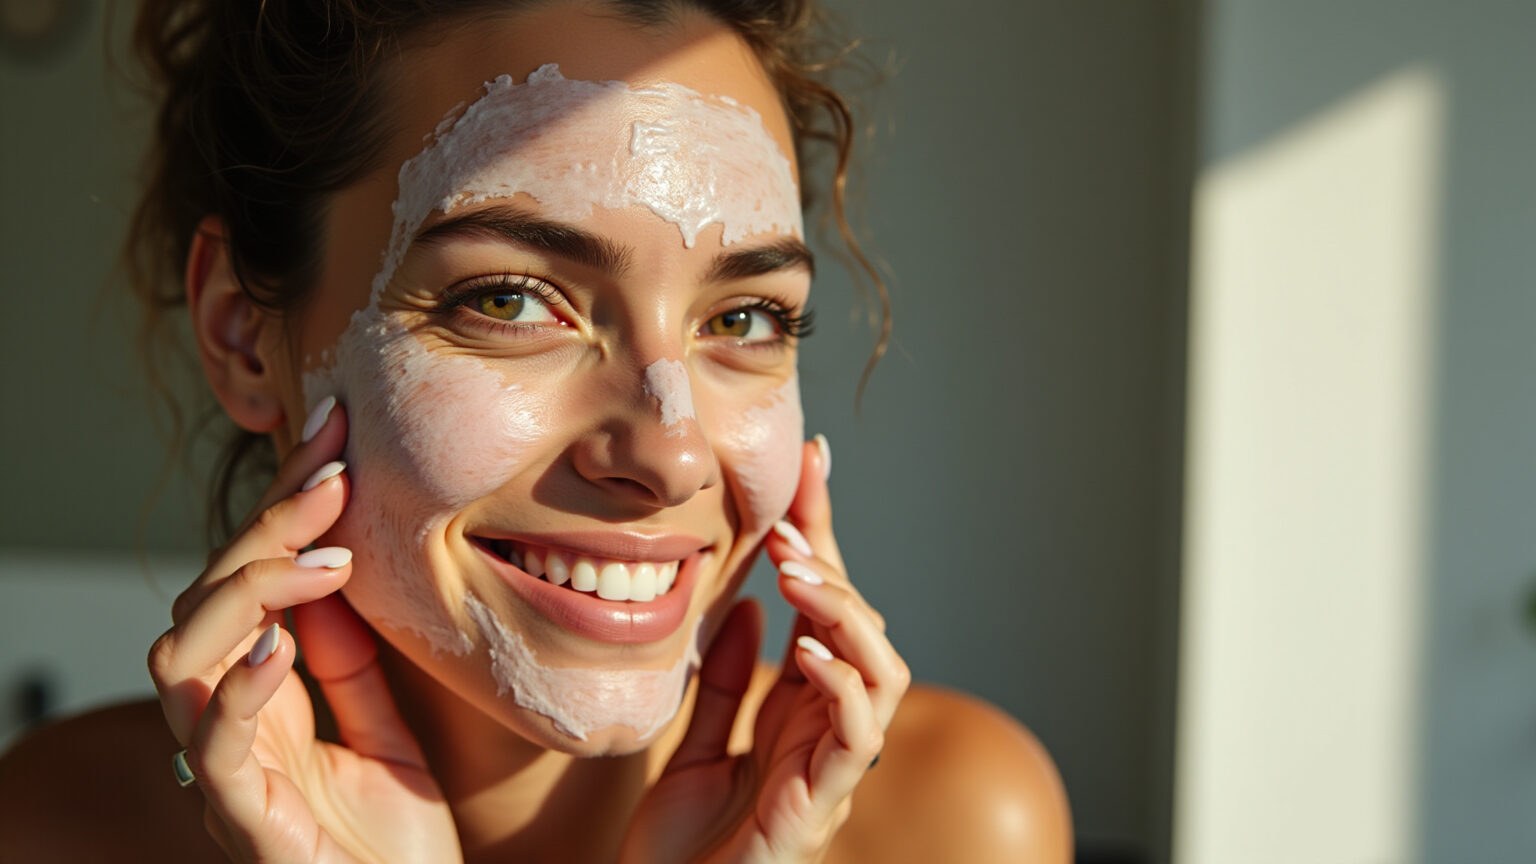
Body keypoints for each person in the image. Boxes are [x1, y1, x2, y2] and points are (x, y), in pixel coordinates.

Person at [0, 1, 1071, 860]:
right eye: (510, 300)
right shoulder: (59, 828)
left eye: (744, 318)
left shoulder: (959, 821)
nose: (673, 452)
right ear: (242, 335)